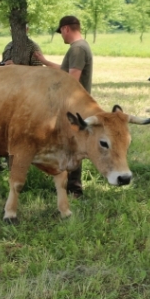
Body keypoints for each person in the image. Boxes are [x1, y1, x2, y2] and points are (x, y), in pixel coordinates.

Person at [39, 16, 92, 195]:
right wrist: (44, 62)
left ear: (66, 29)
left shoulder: (77, 49)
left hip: (74, 106)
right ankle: (69, 184)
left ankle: (74, 187)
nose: (61, 35)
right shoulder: (80, 47)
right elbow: (65, 70)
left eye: (61, 31)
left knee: (73, 144)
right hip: (75, 104)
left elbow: (71, 80)